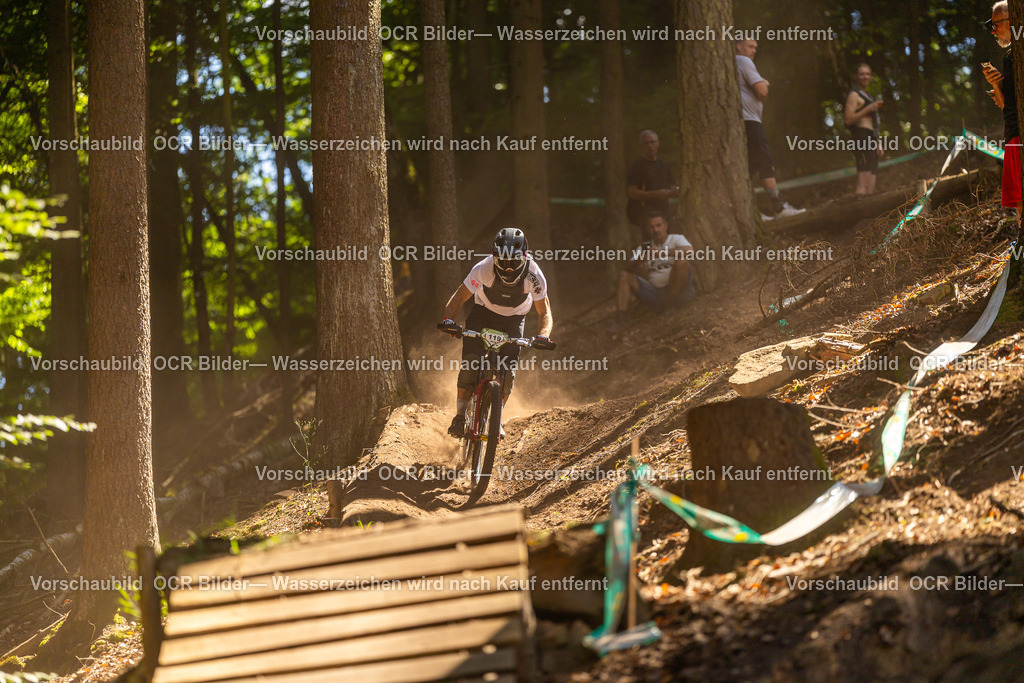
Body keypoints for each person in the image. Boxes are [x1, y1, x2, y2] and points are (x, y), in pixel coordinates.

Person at [440, 228, 554, 438]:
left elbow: (544, 311)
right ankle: (459, 415)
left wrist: (543, 335)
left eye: (514, 262)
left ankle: (496, 419)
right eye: (503, 262)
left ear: (524, 258)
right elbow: (458, 298)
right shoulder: (483, 269)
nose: (508, 268)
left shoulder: (534, 275)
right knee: (471, 364)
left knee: (508, 374)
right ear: (494, 257)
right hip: (483, 314)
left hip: (513, 321)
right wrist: (449, 320)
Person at [735, 39, 805, 220]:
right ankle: (779, 207)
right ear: (738, 46)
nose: (754, 51)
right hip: (751, 122)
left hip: (744, 122)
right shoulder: (743, 61)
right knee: (765, 162)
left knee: (748, 168)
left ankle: (750, 214)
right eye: (750, 46)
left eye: (755, 48)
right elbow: (762, 92)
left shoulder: (736, 64)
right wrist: (764, 83)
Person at [614, 211, 695, 332]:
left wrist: (662, 253)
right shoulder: (644, 247)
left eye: (659, 225)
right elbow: (628, 270)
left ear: (666, 226)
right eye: (652, 227)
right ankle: (621, 319)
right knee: (624, 275)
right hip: (656, 294)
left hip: (680, 293)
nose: (655, 230)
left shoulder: (676, 239)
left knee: (682, 261)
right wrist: (638, 261)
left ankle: (672, 303)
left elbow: (690, 250)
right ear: (647, 229)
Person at [983, 1, 1021, 234]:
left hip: (1017, 135)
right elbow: (1007, 106)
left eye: (995, 24)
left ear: (1012, 19)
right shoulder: (1010, 57)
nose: (993, 31)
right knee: (1018, 199)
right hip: (1013, 133)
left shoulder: (1017, 54)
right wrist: (996, 84)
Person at [627, 130, 680, 240]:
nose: (650, 146)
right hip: (645, 213)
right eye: (646, 143)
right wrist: (656, 194)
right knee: (650, 246)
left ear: (658, 144)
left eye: (652, 142)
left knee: (665, 244)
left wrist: (675, 192)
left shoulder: (664, 165)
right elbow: (632, 192)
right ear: (641, 146)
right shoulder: (638, 166)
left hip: (664, 212)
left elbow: (672, 187)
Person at [844, 63, 885, 196]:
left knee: (872, 181)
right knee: (864, 182)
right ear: (856, 76)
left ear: (871, 76)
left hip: (871, 136)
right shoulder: (854, 94)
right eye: (862, 74)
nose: (865, 77)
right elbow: (848, 119)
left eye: (867, 74)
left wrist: (878, 142)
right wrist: (867, 109)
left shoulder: (869, 96)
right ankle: (856, 213)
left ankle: (868, 215)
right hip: (860, 136)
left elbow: (874, 123)